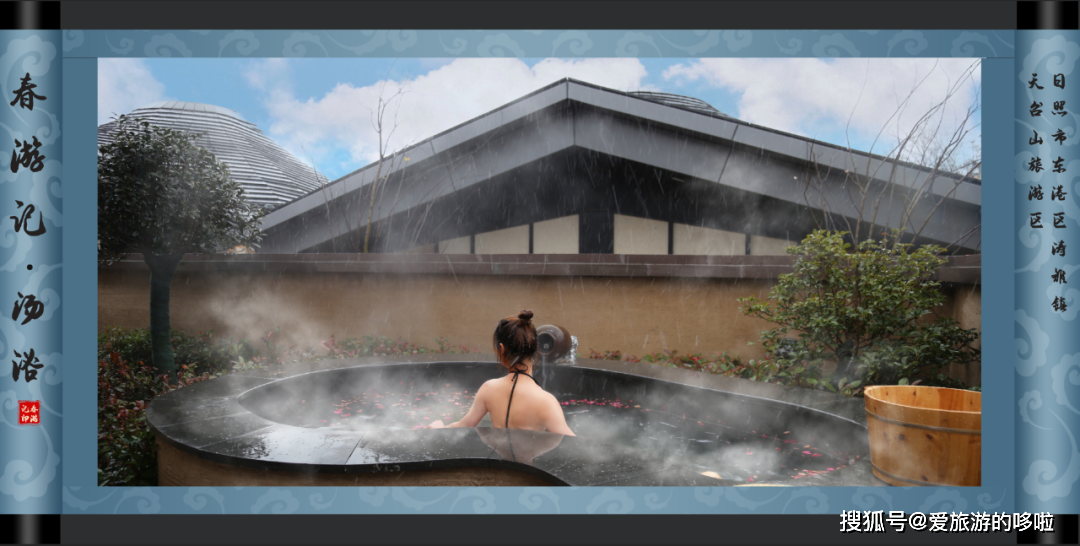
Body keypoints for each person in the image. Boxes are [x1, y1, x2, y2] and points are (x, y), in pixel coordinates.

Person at [427, 310, 575, 436]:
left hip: (497, 465)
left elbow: (464, 424)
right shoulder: (546, 402)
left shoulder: (488, 389)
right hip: (529, 468)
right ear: (535, 350)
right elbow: (572, 443)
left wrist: (440, 428)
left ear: (502, 350)